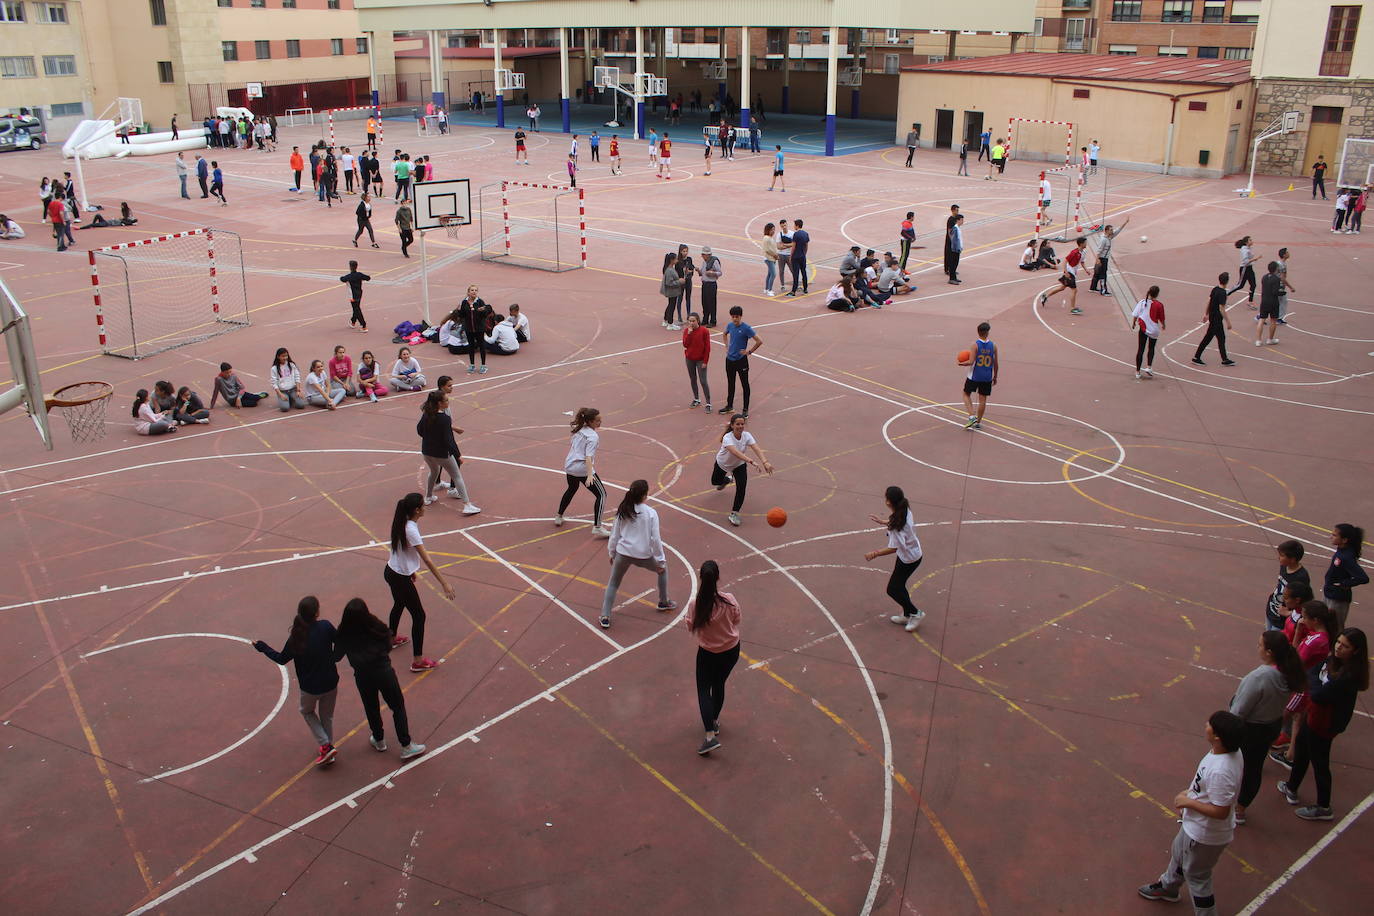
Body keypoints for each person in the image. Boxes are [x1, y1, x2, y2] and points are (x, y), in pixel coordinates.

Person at [1136, 710, 1245, 915]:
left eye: (1210, 725)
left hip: (1204, 834)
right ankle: (1168, 887)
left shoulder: (1222, 770)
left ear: (1218, 736)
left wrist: (1188, 802)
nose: (1206, 725)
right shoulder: (1226, 751)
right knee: (1178, 852)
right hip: (1194, 827)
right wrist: (1191, 797)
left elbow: (1221, 811)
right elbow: (1206, 788)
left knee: (1198, 875)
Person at [1278, 628, 1369, 821]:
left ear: (1356, 651)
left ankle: (1324, 806)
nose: (1338, 647)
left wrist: (1314, 683)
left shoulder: (1347, 677)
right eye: (1338, 642)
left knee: (1319, 761)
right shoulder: (1334, 663)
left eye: (1345, 646)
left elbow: (1319, 693)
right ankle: (1292, 787)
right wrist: (1315, 682)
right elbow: (1312, 672)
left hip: (1325, 724)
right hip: (1313, 717)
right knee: (1302, 749)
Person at [253, 596, 341, 767]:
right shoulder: (326, 626)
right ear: (317, 612)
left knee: (307, 711)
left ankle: (326, 746)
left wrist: (263, 647)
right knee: (327, 716)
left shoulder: (296, 638)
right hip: (330, 681)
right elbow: (340, 643)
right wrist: (334, 656)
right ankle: (328, 748)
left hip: (310, 687)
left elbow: (281, 658)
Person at [334, 597, 427, 759]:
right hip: (383, 671)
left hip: (362, 675)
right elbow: (388, 642)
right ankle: (406, 745)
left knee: (371, 707)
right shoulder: (373, 624)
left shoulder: (344, 632)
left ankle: (379, 739)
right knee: (397, 706)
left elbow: (336, 656)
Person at [1228, 631, 1306, 824]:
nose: (1258, 648)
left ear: (1269, 652)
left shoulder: (1259, 677)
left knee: (1230, 765)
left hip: (1250, 728)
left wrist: (1227, 729)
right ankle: (1241, 807)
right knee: (1254, 768)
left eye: (1260, 645)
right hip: (1271, 725)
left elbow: (1240, 709)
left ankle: (1222, 804)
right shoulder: (1288, 673)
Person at [383, 493, 455, 673]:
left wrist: (411, 571)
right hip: (399, 576)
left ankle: (391, 639)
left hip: (392, 571)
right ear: (417, 510)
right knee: (419, 616)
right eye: (423, 506)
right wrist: (444, 583)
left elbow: (402, 551)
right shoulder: (411, 529)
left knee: (399, 603)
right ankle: (417, 661)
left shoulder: (402, 522)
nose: (425, 508)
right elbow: (428, 560)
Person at [598, 479, 674, 629]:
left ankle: (605, 615)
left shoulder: (623, 510)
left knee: (613, 583)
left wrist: (612, 553)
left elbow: (614, 535)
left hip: (623, 554)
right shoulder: (651, 513)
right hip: (644, 555)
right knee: (662, 571)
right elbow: (656, 539)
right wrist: (660, 560)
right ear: (645, 495)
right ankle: (663, 601)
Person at [687, 559, 741, 755]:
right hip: (730, 651)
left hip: (708, 653)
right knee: (719, 684)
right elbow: (737, 620)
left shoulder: (696, 605)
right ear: (718, 578)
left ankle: (710, 735)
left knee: (704, 689)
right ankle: (715, 721)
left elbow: (690, 626)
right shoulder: (729, 600)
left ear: (701, 579)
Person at [865, 485, 925, 631]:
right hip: (912, 554)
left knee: (892, 589)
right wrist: (883, 522)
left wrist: (875, 553)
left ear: (889, 502)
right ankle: (906, 614)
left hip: (909, 559)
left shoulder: (897, 528)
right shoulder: (905, 509)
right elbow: (895, 521)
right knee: (899, 585)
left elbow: (894, 547)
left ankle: (916, 613)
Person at [417, 390, 481, 514]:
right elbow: (449, 440)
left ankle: (428, 496)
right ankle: (467, 504)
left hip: (427, 451)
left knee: (433, 472)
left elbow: (419, 430)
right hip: (442, 453)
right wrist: (458, 455)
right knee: (457, 476)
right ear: (439, 403)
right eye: (446, 400)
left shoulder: (426, 414)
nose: (448, 402)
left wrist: (429, 438)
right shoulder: (444, 419)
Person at [711, 413, 772, 528]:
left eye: (742, 424)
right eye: (737, 424)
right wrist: (751, 461)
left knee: (742, 487)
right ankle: (726, 480)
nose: (740, 426)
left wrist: (765, 461)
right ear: (733, 426)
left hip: (739, 465)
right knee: (715, 482)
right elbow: (735, 452)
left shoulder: (747, 435)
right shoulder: (727, 437)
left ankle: (734, 513)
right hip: (723, 463)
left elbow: (756, 448)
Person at [556, 407, 608, 535]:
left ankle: (559, 516)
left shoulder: (579, 430)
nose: (600, 422)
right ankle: (597, 527)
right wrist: (590, 475)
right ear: (590, 422)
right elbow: (588, 457)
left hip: (569, 466)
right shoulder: (593, 436)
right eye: (597, 421)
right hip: (582, 468)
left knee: (572, 489)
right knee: (601, 495)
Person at [1322, 524, 1367, 630]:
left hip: (1338, 598)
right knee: (1325, 623)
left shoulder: (1346, 557)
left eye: (1334, 535)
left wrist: (1344, 583)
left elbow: (1363, 578)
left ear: (1344, 540)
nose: (1331, 537)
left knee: (1336, 626)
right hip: (1329, 592)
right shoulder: (1341, 550)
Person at [718, 306, 761, 417]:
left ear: (740, 316)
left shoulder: (746, 328)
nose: (734, 319)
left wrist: (749, 352)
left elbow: (759, 341)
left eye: (736, 317)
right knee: (730, 383)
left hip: (741, 360)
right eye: (732, 317)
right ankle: (729, 406)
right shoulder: (730, 325)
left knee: (745, 384)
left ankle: (745, 409)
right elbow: (724, 334)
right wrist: (726, 346)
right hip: (730, 360)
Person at [1191, 273, 1236, 367]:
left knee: (1211, 338)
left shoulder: (1215, 289)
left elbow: (1209, 301)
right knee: (1219, 338)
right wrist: (1228, 322)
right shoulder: (1223, 293)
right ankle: (1224, 359)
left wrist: (1206, 314)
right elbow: (1221, 309)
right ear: (1226, 281)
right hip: (1217, 319)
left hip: (1212, 317)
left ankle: (1198, 357)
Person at [962, 321, 998, 430]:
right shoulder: (994, 346)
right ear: (987, 332)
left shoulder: (975, 345)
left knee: (966, 394)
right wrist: (995, 376)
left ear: (978, 332)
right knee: (983, 399)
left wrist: (961, 363)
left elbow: (971, 361)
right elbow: (996, 363)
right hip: (987, 377)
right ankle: (978, 422)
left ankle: (971, 416)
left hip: (975, 376)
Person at [1131, 285, 1166, 380]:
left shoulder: (1142, 302)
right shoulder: (1159, 305)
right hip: (1154, 329)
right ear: (1157, 294)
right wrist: (1163, 325)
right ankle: (1149, 366)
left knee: (1140, 349)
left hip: (1143, 328)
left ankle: (1137, 371)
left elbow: (1135, 314)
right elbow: (1161, 318)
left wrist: (1134, 323)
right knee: (1151, 348)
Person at [456, 285, 493, 374]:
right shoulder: (464, 302)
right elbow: (462, 316)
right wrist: (459, 310)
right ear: (468, 292)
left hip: (479, 328)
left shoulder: (480, 302)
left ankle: (483, 365)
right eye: (472, 290)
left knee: (481, 346)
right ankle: (472, 365)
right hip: (469, 329)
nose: (474, 292)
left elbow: (486, 314)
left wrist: (482, 310)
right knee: (471, 346)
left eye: (476, 290)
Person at [682, 313, 712, 411]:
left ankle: (708, 403)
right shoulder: (687, 331)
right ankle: (696, 398)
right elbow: (685, 344)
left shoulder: (704, 331)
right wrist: (689, 334)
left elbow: (707, 347)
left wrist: (705, 361)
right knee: (693, 379)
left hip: (700, 359)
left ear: (698, 321)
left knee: (703, 381)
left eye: (693, 321)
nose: (691, 323)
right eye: (689, 321)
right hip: (689, 359)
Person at [1255, 261, 1283, 347]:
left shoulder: (1264, 277)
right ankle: (1270, 339)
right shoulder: (1276, 279)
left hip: (1264, 300)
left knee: (1262, 319)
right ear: (1276, 269)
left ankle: (1258, 340)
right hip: (1273, 302)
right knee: (1273, 320)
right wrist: (1281, 293)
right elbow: (1275, 292)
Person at [339, 260, 370, 332]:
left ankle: (363, 326)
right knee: (356, 308)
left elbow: (342, 279)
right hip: (359, 294)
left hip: (353, 296)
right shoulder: (359, 275)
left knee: (357, 310)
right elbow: (368, 278)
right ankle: (353, 322)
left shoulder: (349, 277)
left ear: (350, 267)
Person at [1227, 236, 1260, 306]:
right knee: (1240, 285)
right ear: (1246, 242)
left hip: (1249, 268)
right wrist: (1255, 259)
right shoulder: (1245, 250)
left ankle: (1250, 301)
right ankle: (1226, 294)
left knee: (1253, 285)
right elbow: (1245, 261)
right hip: (1244, 269)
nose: (1252, 241)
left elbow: (1250, 257)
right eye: (1250, 240)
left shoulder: (1249, 248)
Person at [660, 251, 684, 331]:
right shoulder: (670, 270)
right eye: (676, 259)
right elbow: (669, 283)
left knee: (670, 305)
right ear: (672, 260)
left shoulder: (669, 269)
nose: (677, 260)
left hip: (671, 291)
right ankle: (670, 323)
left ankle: (666, 320)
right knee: (672, 306)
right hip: (672, 292)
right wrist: (679, 281)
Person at [699, 245, 722, 327]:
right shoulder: (704, 261)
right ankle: (705, 319)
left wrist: (712, 273)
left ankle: (713, 320)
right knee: (704, 302)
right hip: (705, 284)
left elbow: (720, 272)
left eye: (703, 254)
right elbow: (702, 272)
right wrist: (699, 271)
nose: (702, 256)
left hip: (711, 284)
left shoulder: (714, 261)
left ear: (708, 255)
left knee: (711, 303)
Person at [786, 218, 809, 296]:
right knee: (804, 272)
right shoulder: (806, 234)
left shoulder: (796, 234)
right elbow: (806, 246)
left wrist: (790, 256)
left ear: (797, 226)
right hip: (802, 256)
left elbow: (793, 247)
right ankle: (805, 289)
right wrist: (804, 254)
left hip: (796, 257)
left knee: (796, 274)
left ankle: (793, 291)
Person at [946, 214, 964, 284]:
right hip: (955, 250)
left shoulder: (958, 228)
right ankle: (951, 279)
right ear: (958, 220)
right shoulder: (955, 229)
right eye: (961, 220)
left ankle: (954, 278)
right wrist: (956, 249)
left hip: (957, 249)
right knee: (953, 264)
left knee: (955, 264)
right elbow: (953, 240)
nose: (962, 221)